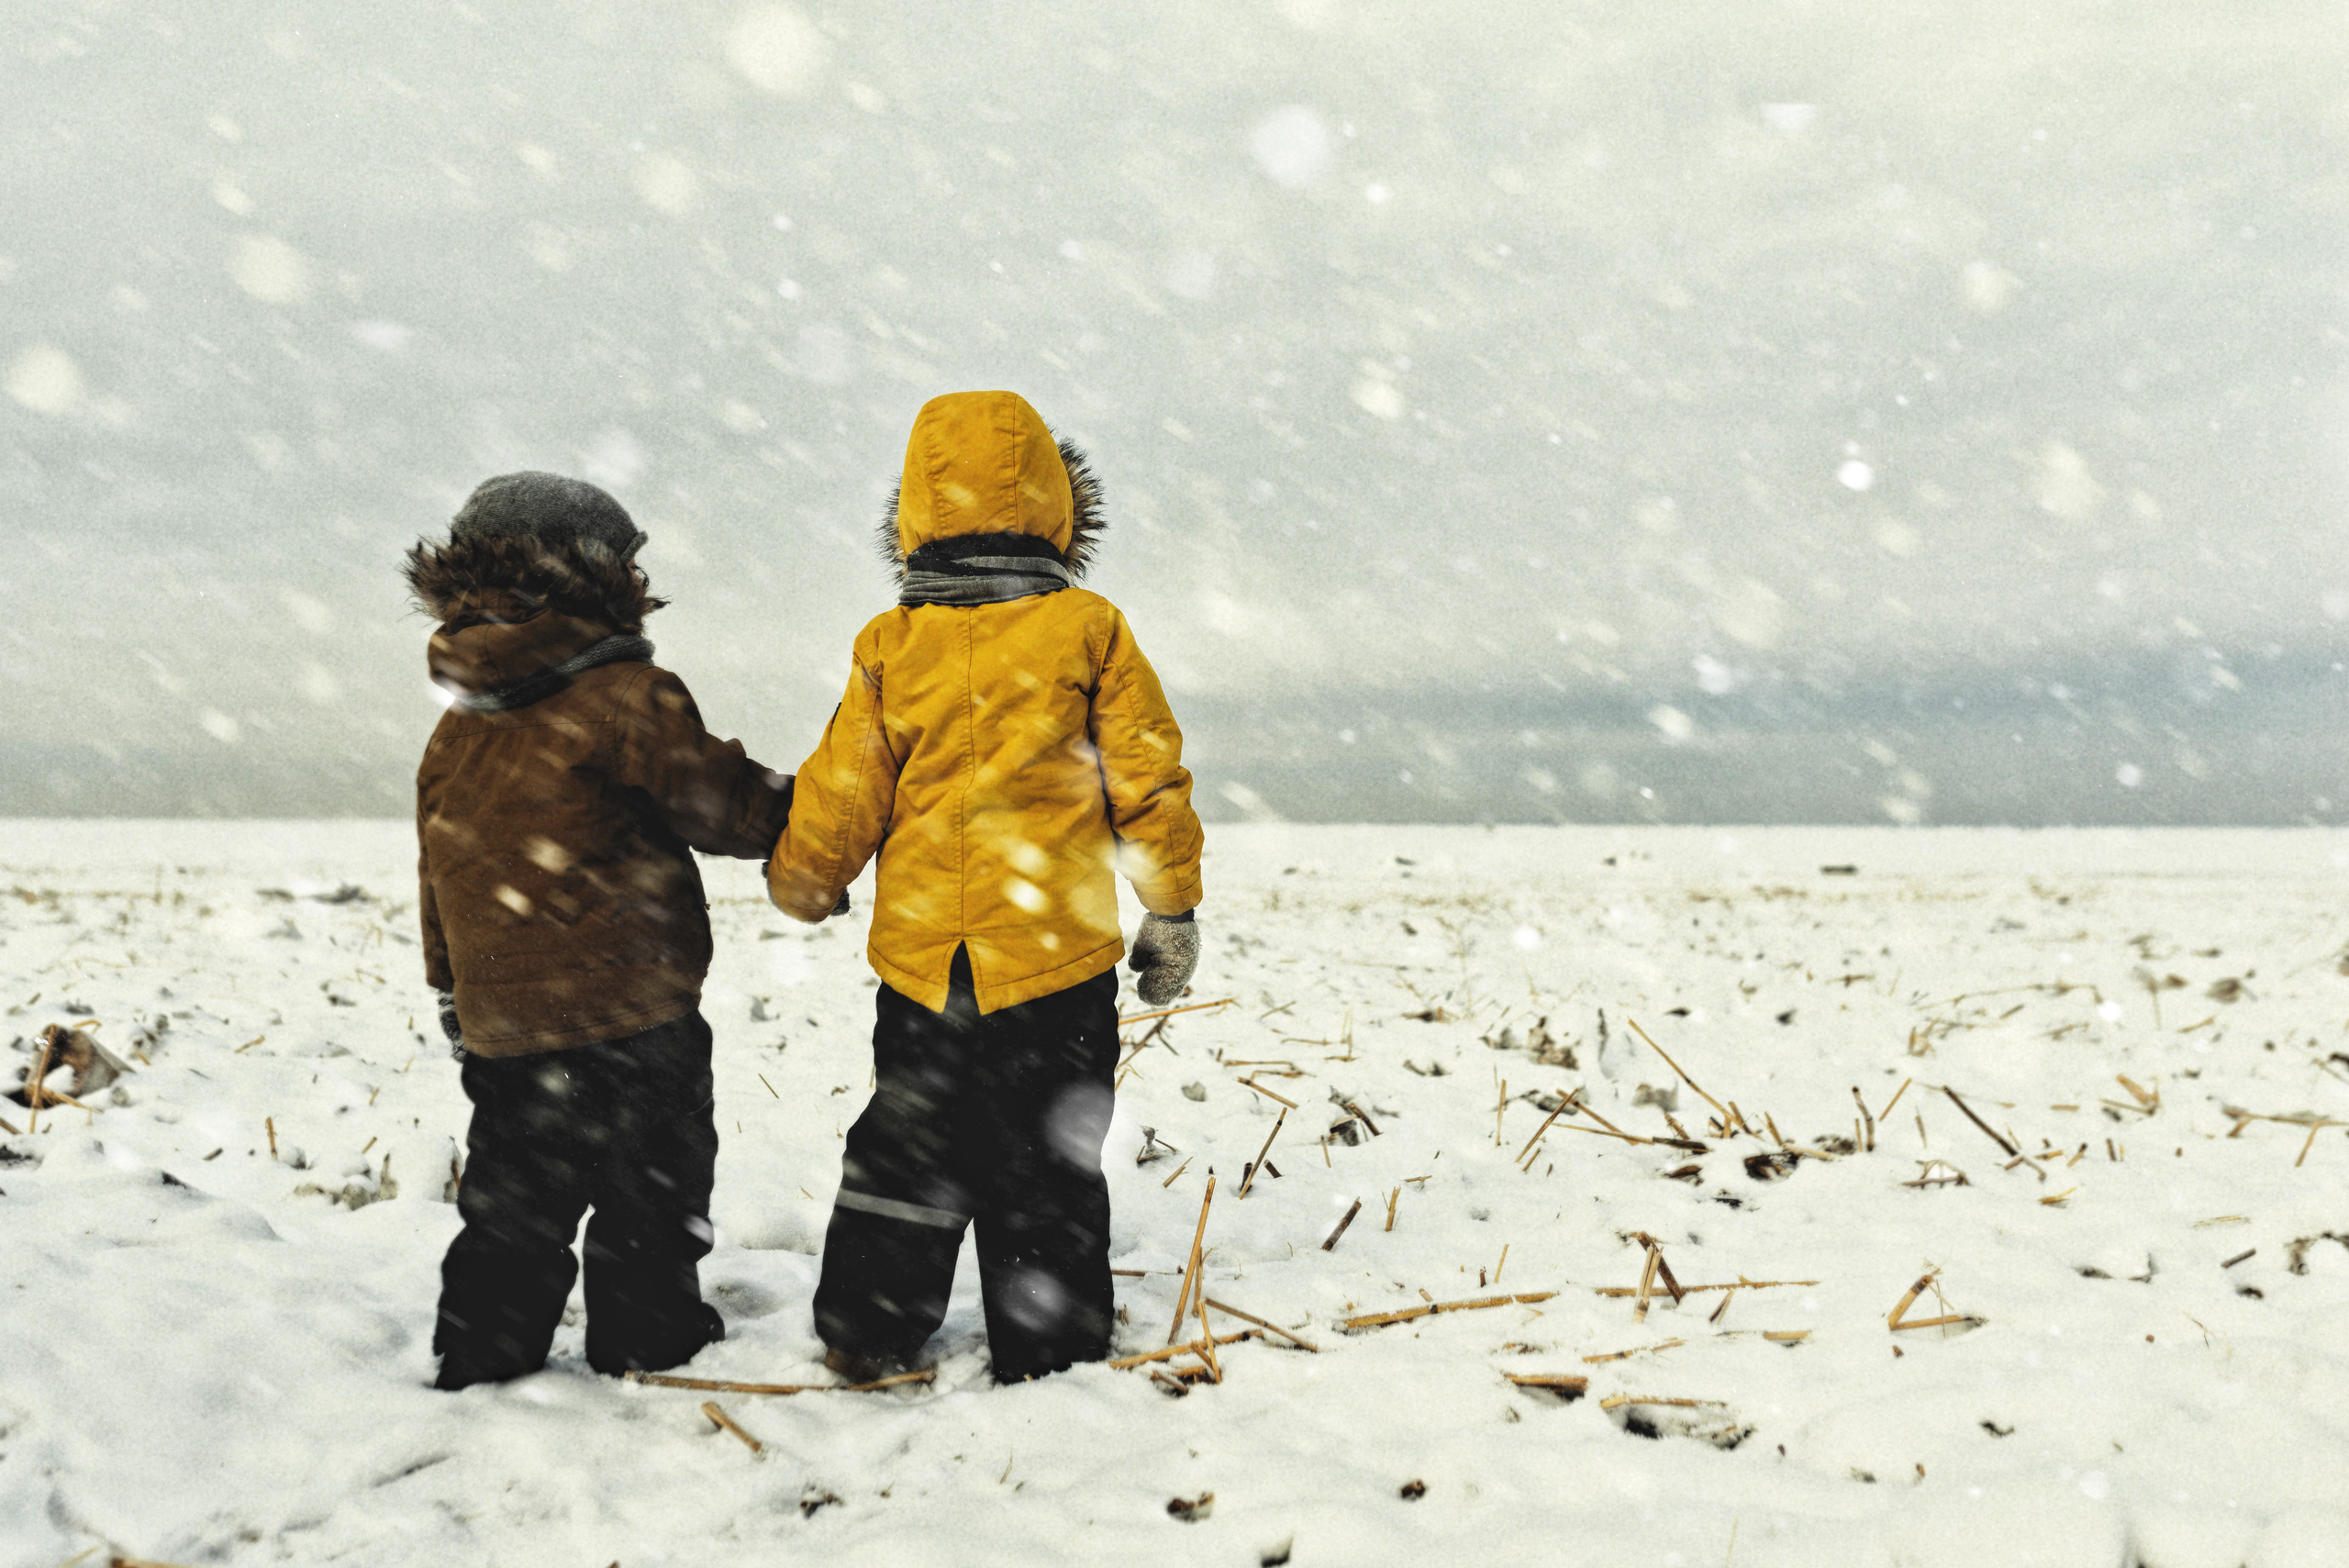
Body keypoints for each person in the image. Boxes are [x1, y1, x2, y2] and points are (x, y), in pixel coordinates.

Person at [766, 390, 1205, 1384]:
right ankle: (1049, 1343)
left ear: (914, 514)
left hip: (927, 964)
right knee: (1048, 1155)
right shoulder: (1088, 627)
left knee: (907, 1144)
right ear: (1058, 507)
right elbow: (1146, 777)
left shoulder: (893, 643)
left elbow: (845, 790)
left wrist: (806, 880)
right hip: (1056, 963)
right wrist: (1171, 904)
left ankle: (867, 1328)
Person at [406, 472, 793, 1390]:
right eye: (630, 564)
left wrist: (452, 988)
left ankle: (485, 1350)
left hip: (509, 1027)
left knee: (512, 1204)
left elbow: (440, 869)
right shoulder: (629, 696)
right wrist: (807, 813)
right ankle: (647, 1334)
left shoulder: (458, 726)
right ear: (595, 573)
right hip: (633, 1011)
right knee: (653, 1190)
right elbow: (721, 807)